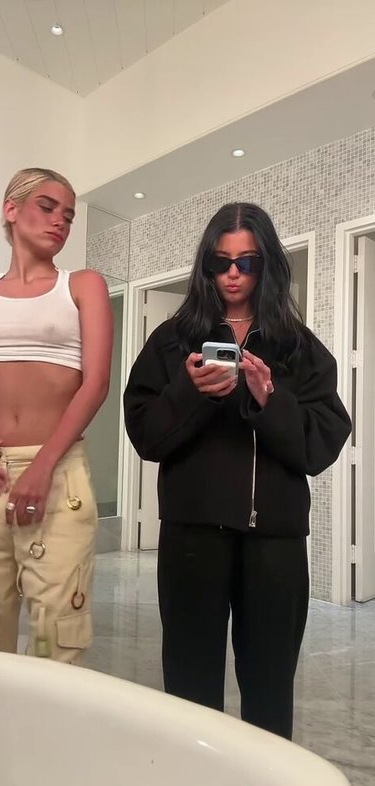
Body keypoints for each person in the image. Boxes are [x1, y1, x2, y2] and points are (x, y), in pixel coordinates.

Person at [123, 202, 351, 739]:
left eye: (246, 262)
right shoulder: (172, 341)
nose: (232, 274)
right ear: (205, 266)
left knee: (269, 687)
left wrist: (269, 401)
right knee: (189, 684)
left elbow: (321, 445)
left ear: (266, 265)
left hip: (274, 542)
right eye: (219, 262)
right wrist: (190, 393)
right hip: (192, 536)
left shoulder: (299, 348)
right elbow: (146, 435)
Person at [0, 167, 113, 665]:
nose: (60, 221)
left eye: (69, 215)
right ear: (11, 209)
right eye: (47, 206)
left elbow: (96, 383)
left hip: (57, 474)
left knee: (57, 634)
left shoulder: (82, 285)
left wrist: (43, 465)